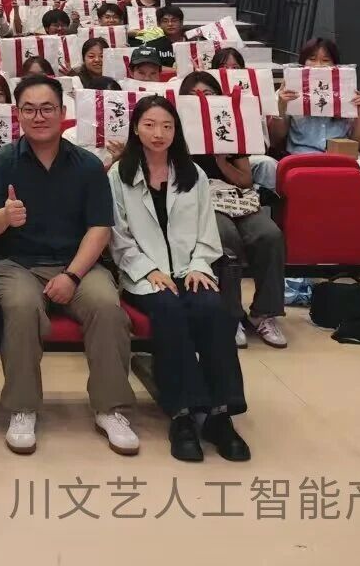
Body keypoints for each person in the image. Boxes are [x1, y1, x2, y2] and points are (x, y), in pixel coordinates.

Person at [0, 73, 137, 456]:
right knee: (21, 308)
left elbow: (99, 229)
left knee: (106, 307)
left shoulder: (87, 166)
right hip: (17, 264)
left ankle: (110, 409)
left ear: (63, 112)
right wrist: (4, 217)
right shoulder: (0, 163)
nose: (38, 116)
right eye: (29, 109)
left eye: (47, 108)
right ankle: (23, 408)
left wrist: (72, 275)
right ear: (18, 115)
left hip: (77, 263)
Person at [108, 95, 249, 462]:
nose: (159, 133)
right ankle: (183, 415)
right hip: (144, 275)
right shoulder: (119, 175)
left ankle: (220, 414)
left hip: (190, 270)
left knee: (213, 309)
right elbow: (118, 237)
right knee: (168, 311)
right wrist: (148, 270)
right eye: (150, 125)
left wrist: (200, 264)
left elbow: (207, 229)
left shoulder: (193, 174)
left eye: (167, 126)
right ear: (136, 128)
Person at [175, 73, 287, 350]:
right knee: (225, 236)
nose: (203, 100)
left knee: (269, 234)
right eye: (195, 95)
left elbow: (245, 180)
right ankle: (230, 314)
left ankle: (265, 313)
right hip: (198, 199)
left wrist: (222, 162)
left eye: (209, 94)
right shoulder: (175, 130)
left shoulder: (230, 126)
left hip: (236, 198)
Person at [268, 38, 360, 157]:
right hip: (302, 157)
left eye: (326, 60)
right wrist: (281, 108)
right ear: (303, 63)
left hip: (341, 157)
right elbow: (274, 140)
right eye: (312, 59)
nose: (319, 65)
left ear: (335, 65)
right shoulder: (287, 92)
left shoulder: (347, 93)